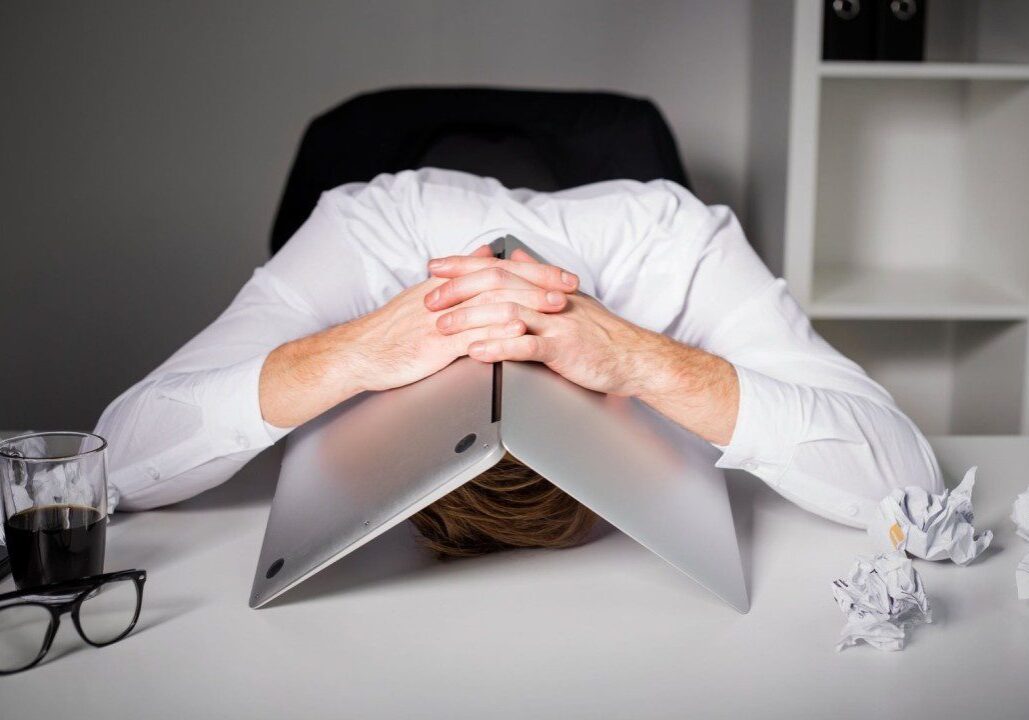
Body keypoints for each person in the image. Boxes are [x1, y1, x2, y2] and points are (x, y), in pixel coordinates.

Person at [96, 169, 942, 553]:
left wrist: (640, 359)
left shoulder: (679, 248)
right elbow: (112, 469)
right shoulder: (361, 235)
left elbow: (910, 490)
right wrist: (356, 353)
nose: (504, 343)